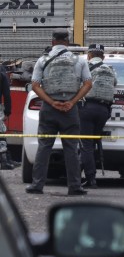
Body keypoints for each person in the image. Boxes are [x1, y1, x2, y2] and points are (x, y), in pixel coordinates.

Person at [26, 30, 92, 195]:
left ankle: (37, 185)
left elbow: (35, 85)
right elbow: (88, 84)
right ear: (67, 42)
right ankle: (75, 186)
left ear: (53, 42)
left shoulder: (43, 59)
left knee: (44, 147)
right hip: (70, 110)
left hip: (49, 109)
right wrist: (72, 101)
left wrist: (51, 102)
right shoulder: (79, 60)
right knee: (71, 148)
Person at [79, 44, 116, 188]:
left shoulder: (85, 67)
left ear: (89, 56)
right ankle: (79, 173)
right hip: (104, 111)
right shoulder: (111, 69)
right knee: (92, 143)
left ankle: (90, 178)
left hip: (87, 108)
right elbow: (115, 84)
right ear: (103, 57)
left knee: (86, 145)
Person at [0, 61, 16, 170]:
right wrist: (7, 111)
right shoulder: (1, 71)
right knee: (1, 134)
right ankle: (4, 161)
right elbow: (6, 93)